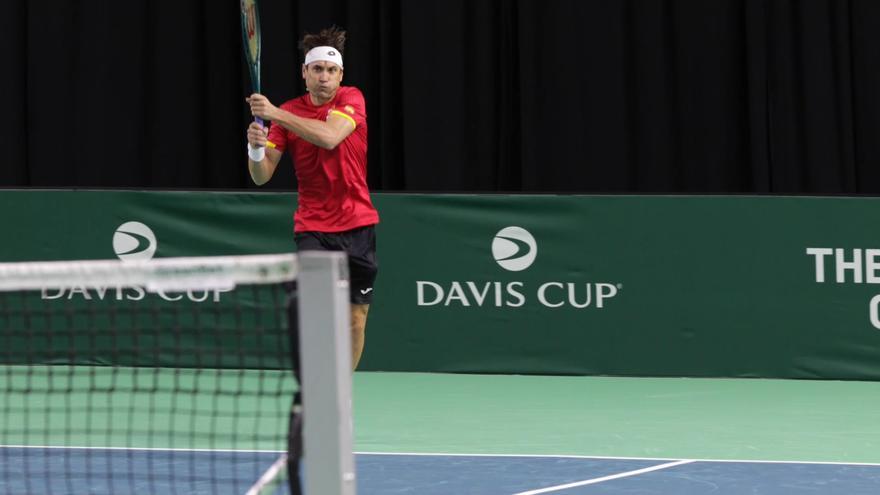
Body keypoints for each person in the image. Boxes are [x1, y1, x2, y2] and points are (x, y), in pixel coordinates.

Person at [245, 26, 378, 372]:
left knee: (355, 321)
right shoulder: (288, 111)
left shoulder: (352, 99)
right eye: (317, 69)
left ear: (341, 75)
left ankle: (341, 392)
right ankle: (316, 380)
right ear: (305, 73)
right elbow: (261, 176)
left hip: (357, 224)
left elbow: (330, 137)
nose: (324, 77)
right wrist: (255, 148)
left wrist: (275, 114)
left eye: (331, 71)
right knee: (314, 306)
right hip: (313, 227)